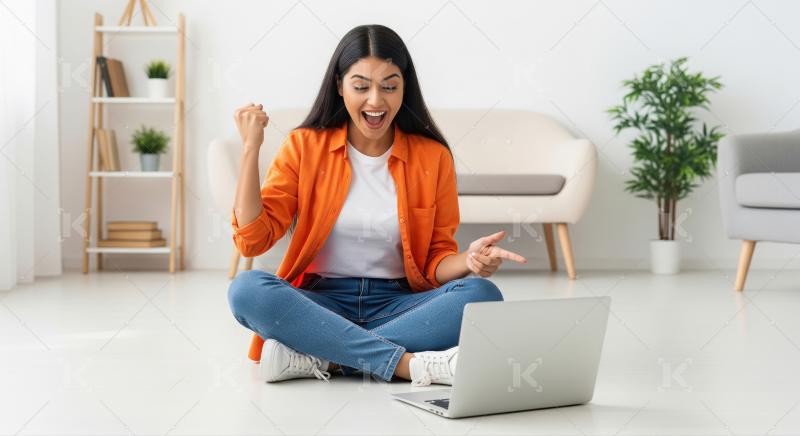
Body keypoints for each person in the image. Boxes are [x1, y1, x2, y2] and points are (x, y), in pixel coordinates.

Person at [227, 24, 526, 386]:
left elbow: (434, 263)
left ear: (404, 88)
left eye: (389, 86)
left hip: (399, 303)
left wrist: (470, 260)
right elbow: (252, 241)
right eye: (360, 86)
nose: (375, 100)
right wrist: (250, 149)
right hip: (320, 301)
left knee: (482, 295)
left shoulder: (433, 157)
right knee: (246, 290)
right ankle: (408, 365)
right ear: (339, 86)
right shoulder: (304, 146)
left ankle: (325, 355)